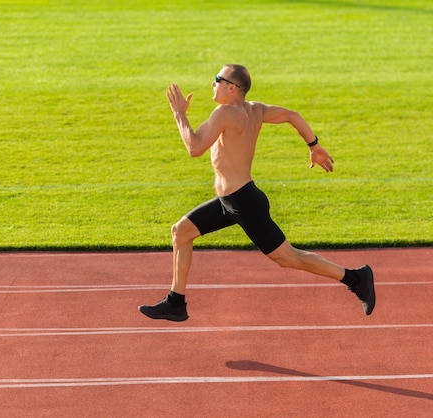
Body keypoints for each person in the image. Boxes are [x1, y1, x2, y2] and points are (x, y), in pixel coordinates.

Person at [139, 64, 375, 322]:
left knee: (288, 257)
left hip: (243, 202)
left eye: (217, 79)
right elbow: (292, 115)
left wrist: (179, 115)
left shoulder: (224, 113)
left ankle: (356, 277)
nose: (212, 83)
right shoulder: (256, 109)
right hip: (231, 200)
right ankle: (176, 302)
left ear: (233, 87)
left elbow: (194, 148)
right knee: (181, 232)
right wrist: (314, 145)